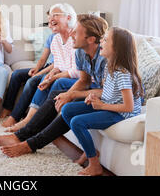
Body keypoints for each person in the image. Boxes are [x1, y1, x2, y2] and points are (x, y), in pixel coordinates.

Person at [0, 14, 108, 162]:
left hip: (109, 97)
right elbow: (84, 80)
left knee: (67, 107)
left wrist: (70, 95)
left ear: (90, 39)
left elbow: (108, 92)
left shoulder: (105, 57)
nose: (71, 34)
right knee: (58, 95)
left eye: (76, 32)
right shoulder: (81, 53)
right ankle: (19, 136)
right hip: (95, 90)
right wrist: (67, 95)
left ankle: (28, 144)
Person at [61, 27, 143, 175]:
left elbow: (129, 107)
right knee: (67, 110)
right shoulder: (109, 67)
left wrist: (102, 105)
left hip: (121, 114)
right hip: (108, 106)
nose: (101, 42)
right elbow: (108, 92)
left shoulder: (122, 73)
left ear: (117, 48)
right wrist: (94, 97)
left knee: (77, 122)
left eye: (105, 40)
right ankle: (89, 150)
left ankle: (94, 164)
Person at [4, 3, 79, 132]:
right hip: (59, 70)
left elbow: (75, 70)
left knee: (49, 80)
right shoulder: (55, 40)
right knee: (43, 79)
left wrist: (51, 76)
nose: (51, 20)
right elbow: (59, 64)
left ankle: (30, 121)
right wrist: (50, 73)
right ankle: (24, 118)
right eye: (49, 18)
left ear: (68, 17)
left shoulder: (77, 39)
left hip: (75, 75)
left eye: (55, 15)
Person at [0, 10, 56, 127]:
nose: (50, 25)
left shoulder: (67, 38)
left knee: (32, 82)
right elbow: (43, 59)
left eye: (53, 22)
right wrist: (36, 69)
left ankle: (15, 117)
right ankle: (7, 108)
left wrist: (39, 73)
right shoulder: (51, 37)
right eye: (49, 22)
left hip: (55, 69)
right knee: (16, 75)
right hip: (47, 67)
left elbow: (58, 64)